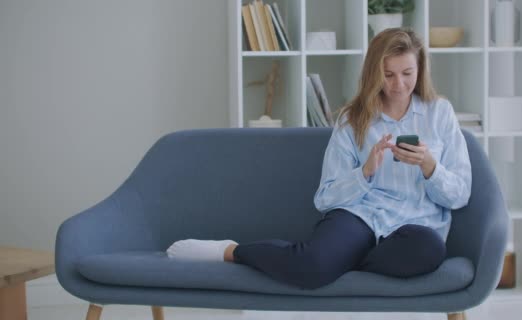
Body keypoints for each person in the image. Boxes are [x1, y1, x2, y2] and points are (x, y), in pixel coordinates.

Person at [166, 28, 472, 290]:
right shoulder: (353, 120)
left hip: (414, 227)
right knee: (311, 268)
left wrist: (429, 165)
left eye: (407, 73)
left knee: (429, 250)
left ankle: (339, 261)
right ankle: (231, 251)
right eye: (388, 74)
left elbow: (460, 194)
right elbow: (325, 198)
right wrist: (365, 172)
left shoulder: (439, 113)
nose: (398, 85)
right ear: (373, 73)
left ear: (420, 71)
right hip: (360, 217)